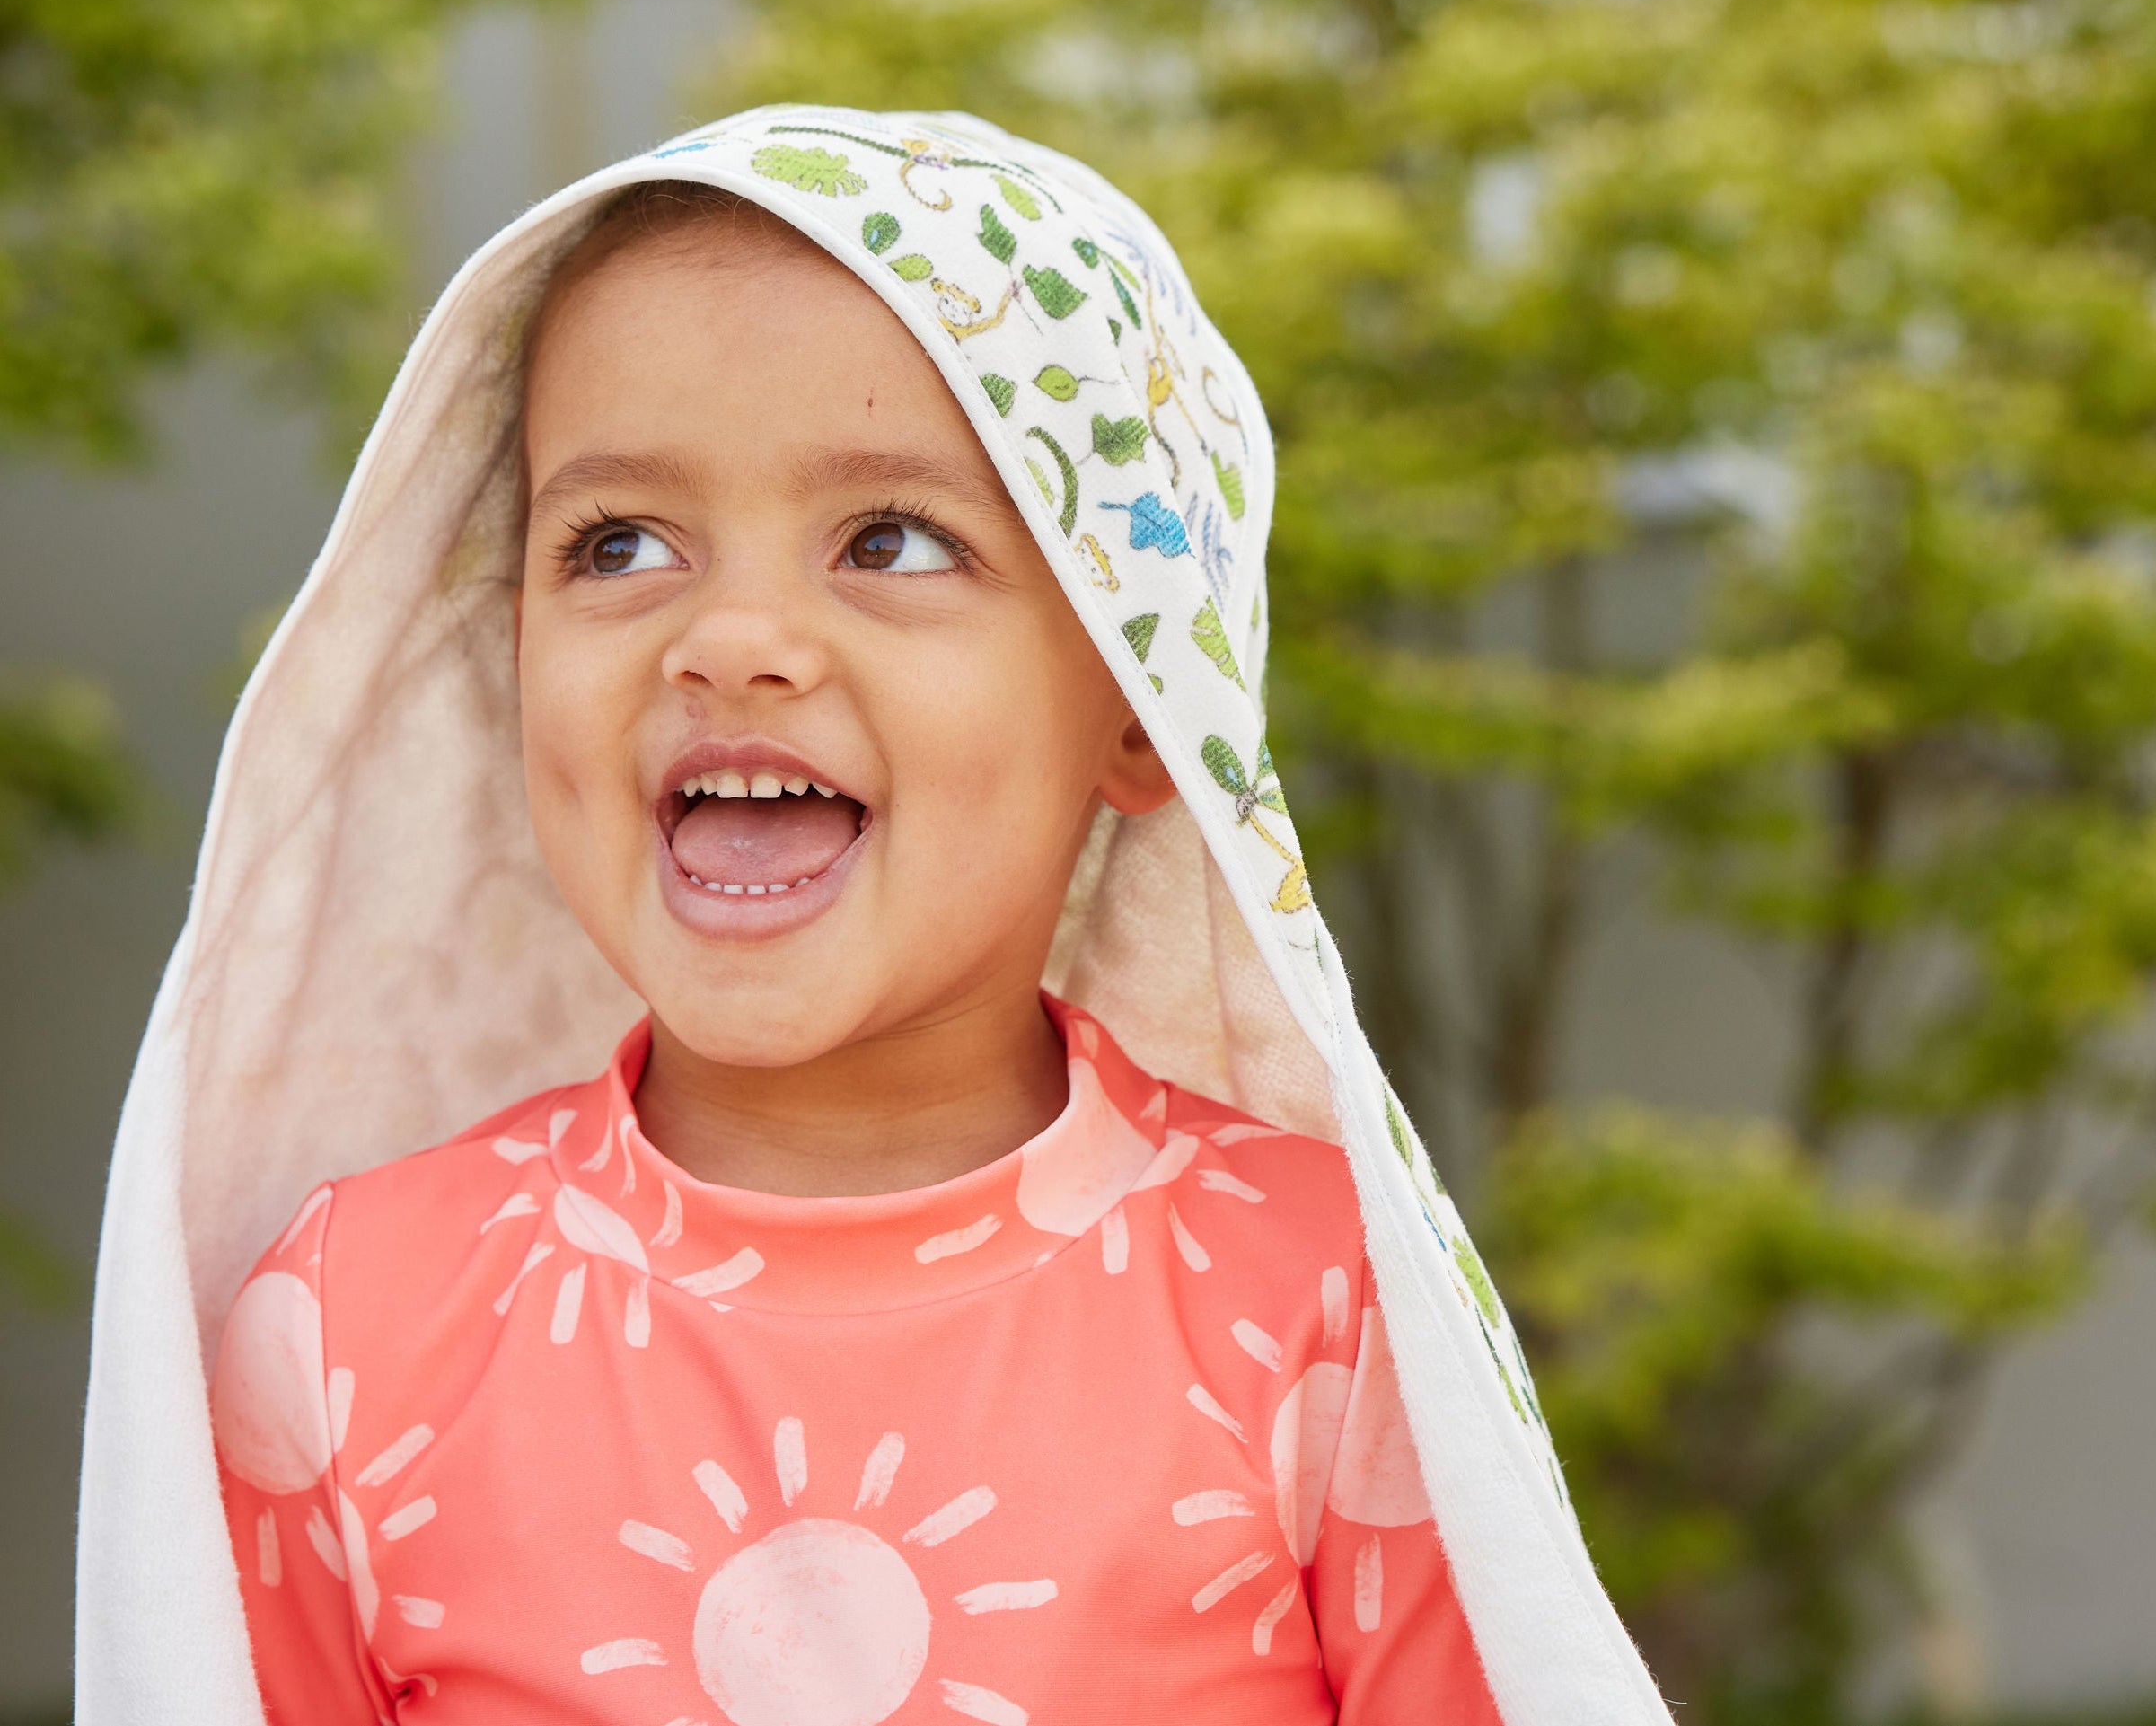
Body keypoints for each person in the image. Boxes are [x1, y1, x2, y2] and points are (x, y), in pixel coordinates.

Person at [76, 110, 1672, 1726]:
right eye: (618, 542)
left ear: (1144, 704)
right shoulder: (346, 1329)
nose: (732, 638)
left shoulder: (1321, 1302)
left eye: (889, 541)